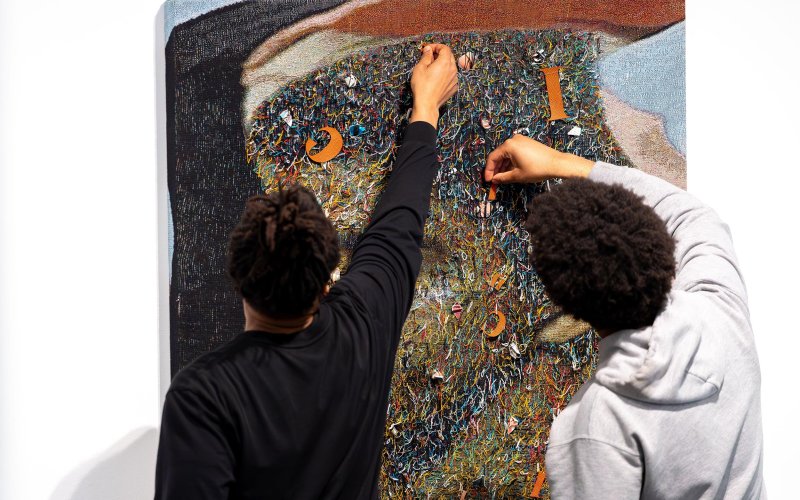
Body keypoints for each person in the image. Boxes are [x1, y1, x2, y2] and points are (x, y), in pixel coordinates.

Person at [154, 43, 458, 499]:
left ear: (238, 276)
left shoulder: (204, 396)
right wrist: (426, 107)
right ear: (325, 277)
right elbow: (398, 225)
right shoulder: (364, 325)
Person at [484, 135, 766, 498]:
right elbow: (692, 214)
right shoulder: (721, 307)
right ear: (658, 242)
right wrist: (560, 161)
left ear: (570, 309)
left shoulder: (597, 425)